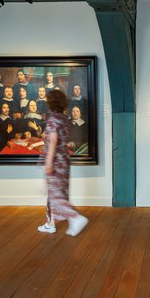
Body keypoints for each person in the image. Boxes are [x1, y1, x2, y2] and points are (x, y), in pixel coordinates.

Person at [38, 90, 88, 236]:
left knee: (56, 196)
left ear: (50, 103)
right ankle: (50, 223)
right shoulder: (64, 118)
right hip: (65, 161)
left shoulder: (53, 119)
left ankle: (75, 217)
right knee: (55, 193)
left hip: (55, 161)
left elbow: (53, 140)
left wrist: (48, 163)